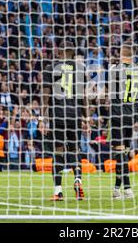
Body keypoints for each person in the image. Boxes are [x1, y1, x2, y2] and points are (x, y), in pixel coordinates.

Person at [42, 40, 88, 201]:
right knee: (75, 150)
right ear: (73, 53)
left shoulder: (51, 68)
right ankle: (78, 181)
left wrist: (42, 118)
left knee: (59, 152)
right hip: (75, 115)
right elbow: (83, 97)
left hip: (58, 115)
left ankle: (58, 191)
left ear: (59, 51)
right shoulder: (80, 69)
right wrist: (87, 118)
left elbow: (45, 95)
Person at [108, 44, 138, 200]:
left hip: (117, 114)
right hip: (131, 115)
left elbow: (110, 92)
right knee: (124, 154)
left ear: (122, 54)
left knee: (120, 154)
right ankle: (116, 189)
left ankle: (127, 188)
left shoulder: (115, 70)